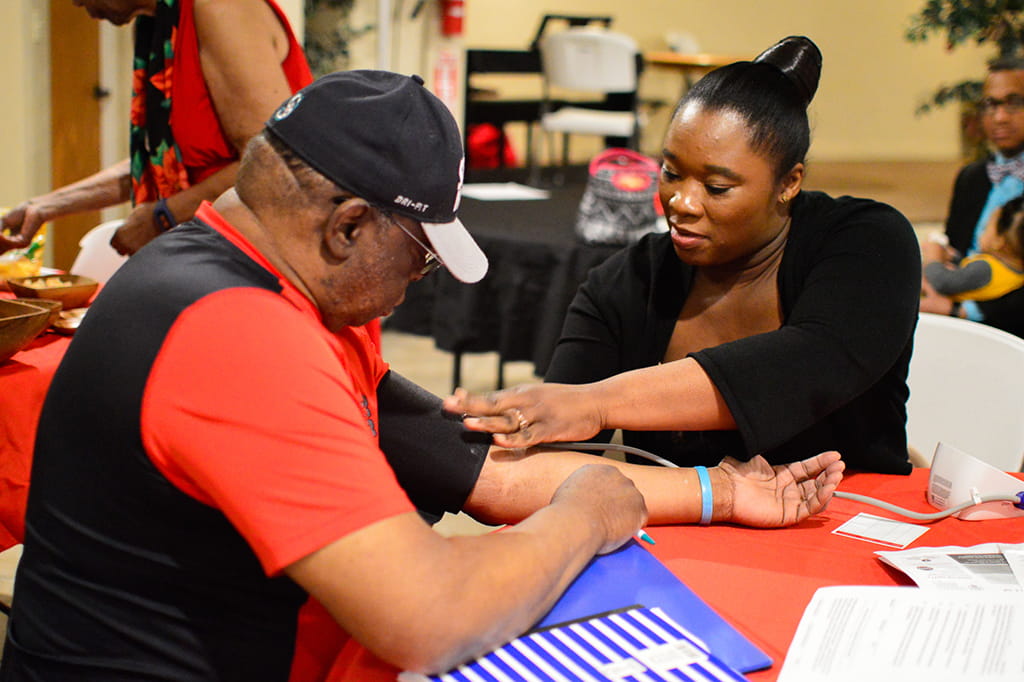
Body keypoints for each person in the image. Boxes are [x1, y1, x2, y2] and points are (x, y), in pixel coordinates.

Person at [0, 71, 843, 681]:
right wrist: (585, 517)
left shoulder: (244, 273)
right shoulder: (238, 335)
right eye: (421, 256)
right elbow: (429, 621)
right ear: (348, 228)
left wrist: (718, 493)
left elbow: (474, 461)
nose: (418, 284)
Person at [445, 36, 921, 475]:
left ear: (789, 182)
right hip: (677, 544)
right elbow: (557, 453)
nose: (681, 203)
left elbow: (808, 364)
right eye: (671, 172)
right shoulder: (626, 283)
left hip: (854, 538)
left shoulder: (867, 243)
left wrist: (595, 404)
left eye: (717, 187)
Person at [0, 0, 312, 257]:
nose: (75, 2)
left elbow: (271, 159)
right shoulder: (159, 23)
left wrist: (162, 217)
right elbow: (162, 163)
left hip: (278, 257)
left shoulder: (222, 7)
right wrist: (42, 207)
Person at [920, 57, 1024, 337]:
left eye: (1014, 103)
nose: (1000, 117)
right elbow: (956, 246)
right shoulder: (971, 177)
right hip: (958, 319)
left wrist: (964, 311)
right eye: (991, 105)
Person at [923, 196, 1024, 305]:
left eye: (986, 228)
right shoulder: (1016, 272)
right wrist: (955, 258)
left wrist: (933, 258)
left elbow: (942, 283)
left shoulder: (984, 269)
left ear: (998, 242)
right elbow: (969, 275)